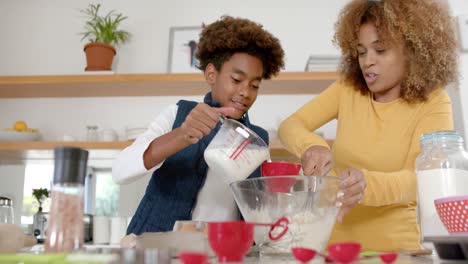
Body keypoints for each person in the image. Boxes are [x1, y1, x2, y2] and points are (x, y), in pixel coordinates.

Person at [278, 0, 458, 251]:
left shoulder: (434, 101)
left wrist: (366, 185)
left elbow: (420, 179)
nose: (367, 62)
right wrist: (313, 146)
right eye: (362, 51)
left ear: (412, 50)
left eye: (380, 50)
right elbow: (291, 125)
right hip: (334, 248)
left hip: (397, 250)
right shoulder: (347, 90)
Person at [113, 15, 285, 234]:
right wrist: (182, 135)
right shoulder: (178, 114)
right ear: (211, 74)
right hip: (159, 249)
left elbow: (261, 214)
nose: (245, 92)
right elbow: (120, 171)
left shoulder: (257, 141)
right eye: (236, 80)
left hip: (221, 254)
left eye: (254, 85)